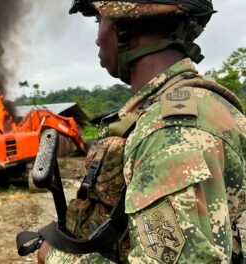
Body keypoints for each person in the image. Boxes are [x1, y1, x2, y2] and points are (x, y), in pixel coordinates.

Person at [37, 0, 246, 263]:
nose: (97, 40)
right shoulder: (193, 104)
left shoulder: (173, 128)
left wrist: (57, 258)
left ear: (128, 26)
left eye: (99, 21)